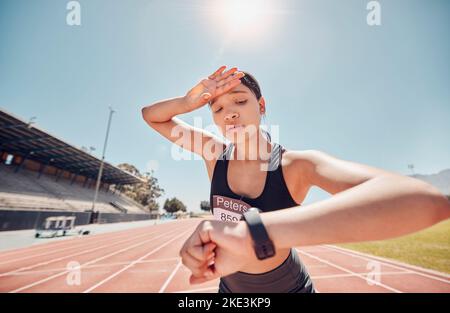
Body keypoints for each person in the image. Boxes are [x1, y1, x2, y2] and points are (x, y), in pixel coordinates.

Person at [141, 66, 450, 293]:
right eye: (218, 108)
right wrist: (187, 101)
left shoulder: (296, 164)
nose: (229, 114)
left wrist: (253, 234)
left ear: (261, 107)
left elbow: (422, 200)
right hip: (230, 291)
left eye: (239, 101)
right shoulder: (213, 152)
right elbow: (151, 115)